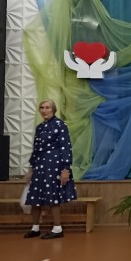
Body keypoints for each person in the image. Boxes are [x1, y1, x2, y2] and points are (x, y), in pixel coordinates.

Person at [24, 100, 77, 239]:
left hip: (54, 164)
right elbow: (36, 149)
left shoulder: (60, 125)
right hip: (40, 164)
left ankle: (57, 228)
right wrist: (31, 168)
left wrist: (66, 169)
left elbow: (66, 146)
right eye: (42, 107)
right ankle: (35, 228)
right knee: (35, 195)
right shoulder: (40, 127)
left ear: (53, 109)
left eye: (47, 107)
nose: (44, 110)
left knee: (53, 195)